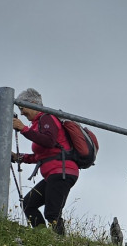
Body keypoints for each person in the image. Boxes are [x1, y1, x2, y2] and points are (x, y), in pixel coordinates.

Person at [9, 89, 78, 236]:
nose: (21, 112)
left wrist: (23, 129)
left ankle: (60, 243)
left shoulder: (47, 118)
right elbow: (42, 155)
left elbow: (49, 141)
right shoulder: (37, 123)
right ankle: (43, 237)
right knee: (28, 204)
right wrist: (19, 157)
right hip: (55, 173)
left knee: (52, 213)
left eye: (22, 107)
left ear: (33, 103)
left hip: (61, 171)